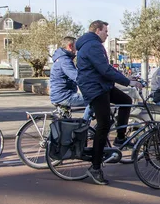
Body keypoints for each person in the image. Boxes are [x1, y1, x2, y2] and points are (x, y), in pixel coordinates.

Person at [76, 20, 143, 185]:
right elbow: (104, 70)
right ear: (98, 30)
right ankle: (95, 168)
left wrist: (127, 78)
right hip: (95, 88)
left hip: (101, 85)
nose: (107, 34)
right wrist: (129, 83)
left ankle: (120, 138)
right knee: (103, 124)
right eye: (106, 31)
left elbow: (106, 67)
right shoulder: (93, 45)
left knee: (126, 100)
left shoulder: (92, 44)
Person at [49, 36, 90, 120]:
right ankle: (85, 126)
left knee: (65, 122)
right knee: (93, 100)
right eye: (76, 46)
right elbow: (76, 77)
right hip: (64, 96)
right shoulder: (65, 60)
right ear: (70, 46)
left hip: (59, 95)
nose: (77, 49)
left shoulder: (61, 58)